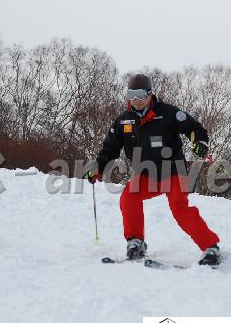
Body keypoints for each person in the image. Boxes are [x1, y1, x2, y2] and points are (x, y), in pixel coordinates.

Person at [84, 73, 221, 265]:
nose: (136, 100)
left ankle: (210, 247)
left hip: (173, 171)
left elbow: (194, 128)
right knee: (129, 197)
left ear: (150, 94)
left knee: (179, 207)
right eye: (131, 95)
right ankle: (136, 243)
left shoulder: (168, 113)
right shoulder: (124, 121)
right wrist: (98, 168)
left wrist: (199, 142)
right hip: (147, 174)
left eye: (141, 94)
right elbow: (110, 148)